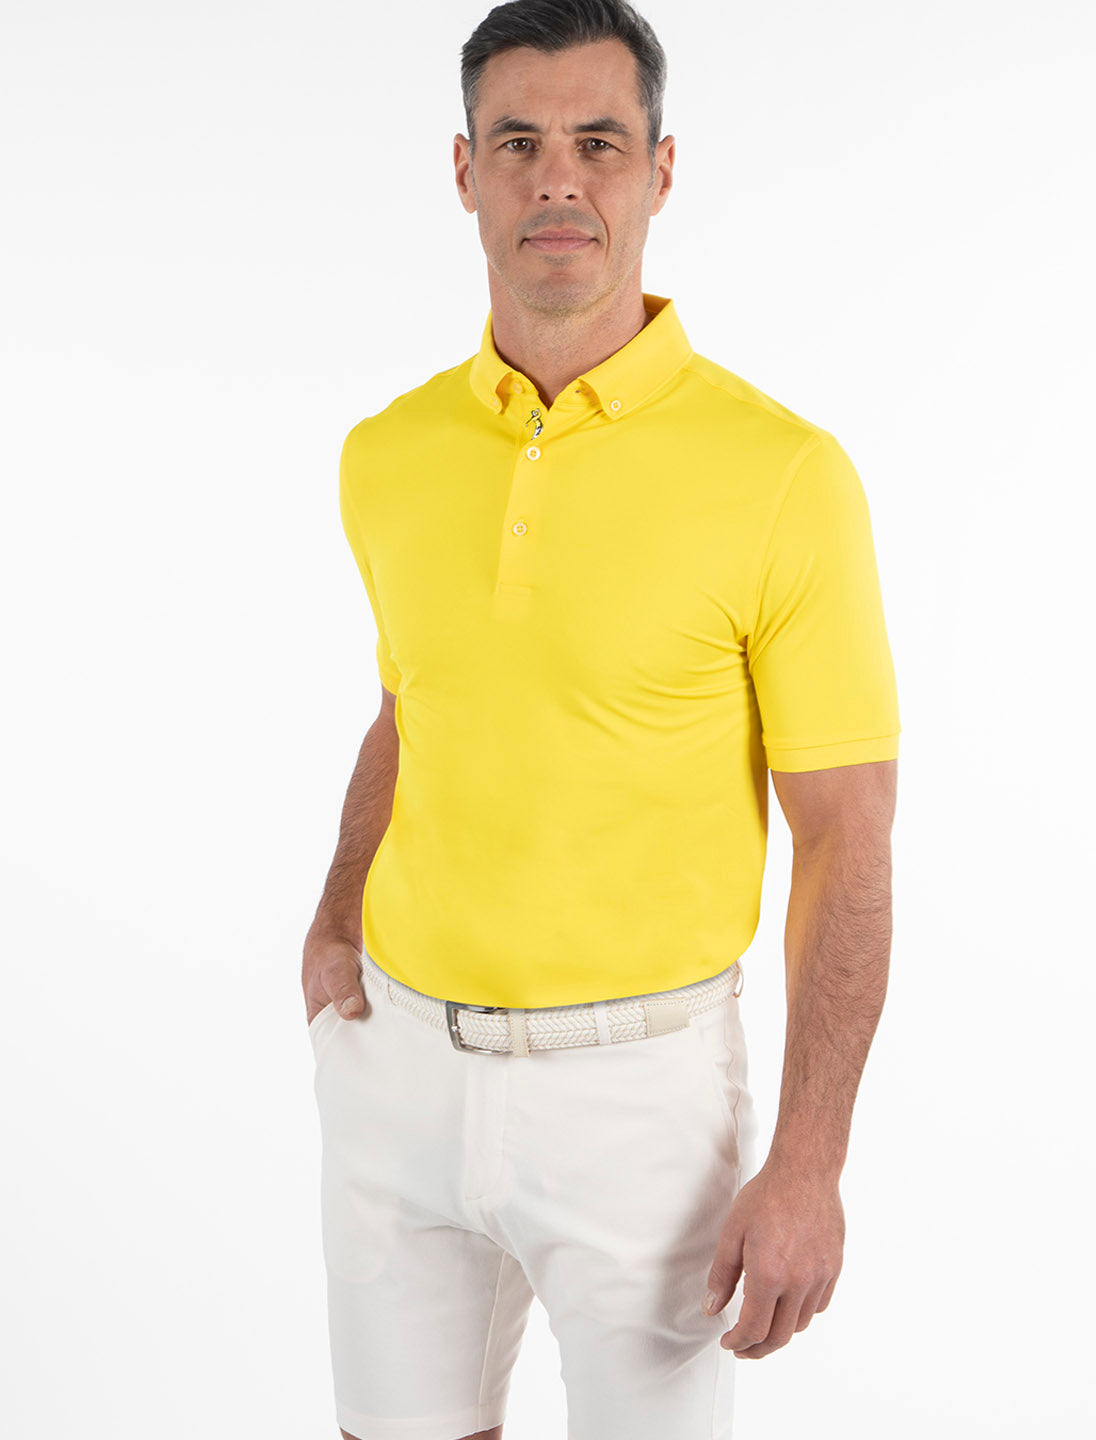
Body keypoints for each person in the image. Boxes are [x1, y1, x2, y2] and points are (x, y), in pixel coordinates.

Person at [303, 1, 899, 1436]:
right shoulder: (387, 452)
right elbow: (411, 702)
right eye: (517, 143)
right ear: (465, 172)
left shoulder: (784, 475)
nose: (557, 180)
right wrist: (333, 916)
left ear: (661, 170)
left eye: (599, 142)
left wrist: (810, 1158)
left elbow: (846, 835)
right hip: (399, 1074)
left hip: (644, 1110)